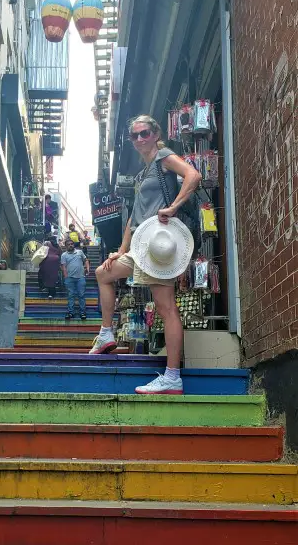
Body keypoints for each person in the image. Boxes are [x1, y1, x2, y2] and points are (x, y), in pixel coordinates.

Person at [90, 114, 201, 395]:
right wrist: (120, 251)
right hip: (140, 245)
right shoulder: (142, 173)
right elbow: (133, 220)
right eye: (135, 135)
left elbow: (193, 175)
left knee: (166, 308)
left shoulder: (164, 157)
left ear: (155, 133)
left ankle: (173, 376)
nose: (140, 138)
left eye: (145, 133)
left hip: (158, 246)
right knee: (104, 272)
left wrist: (173, 207)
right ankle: (106, 334)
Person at [61, 239, 90, 320]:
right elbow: (63, 267)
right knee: (70, 296)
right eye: (68, 244)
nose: (70, 245)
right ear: (66, 246)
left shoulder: (80, 252)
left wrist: (87, 268)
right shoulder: (64, 255)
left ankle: (83, 313)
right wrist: (66, 277)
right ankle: (71, 313)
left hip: (80, 278)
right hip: (69, 278)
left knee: (81, 295)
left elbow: (86, 260)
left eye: (72, 244)